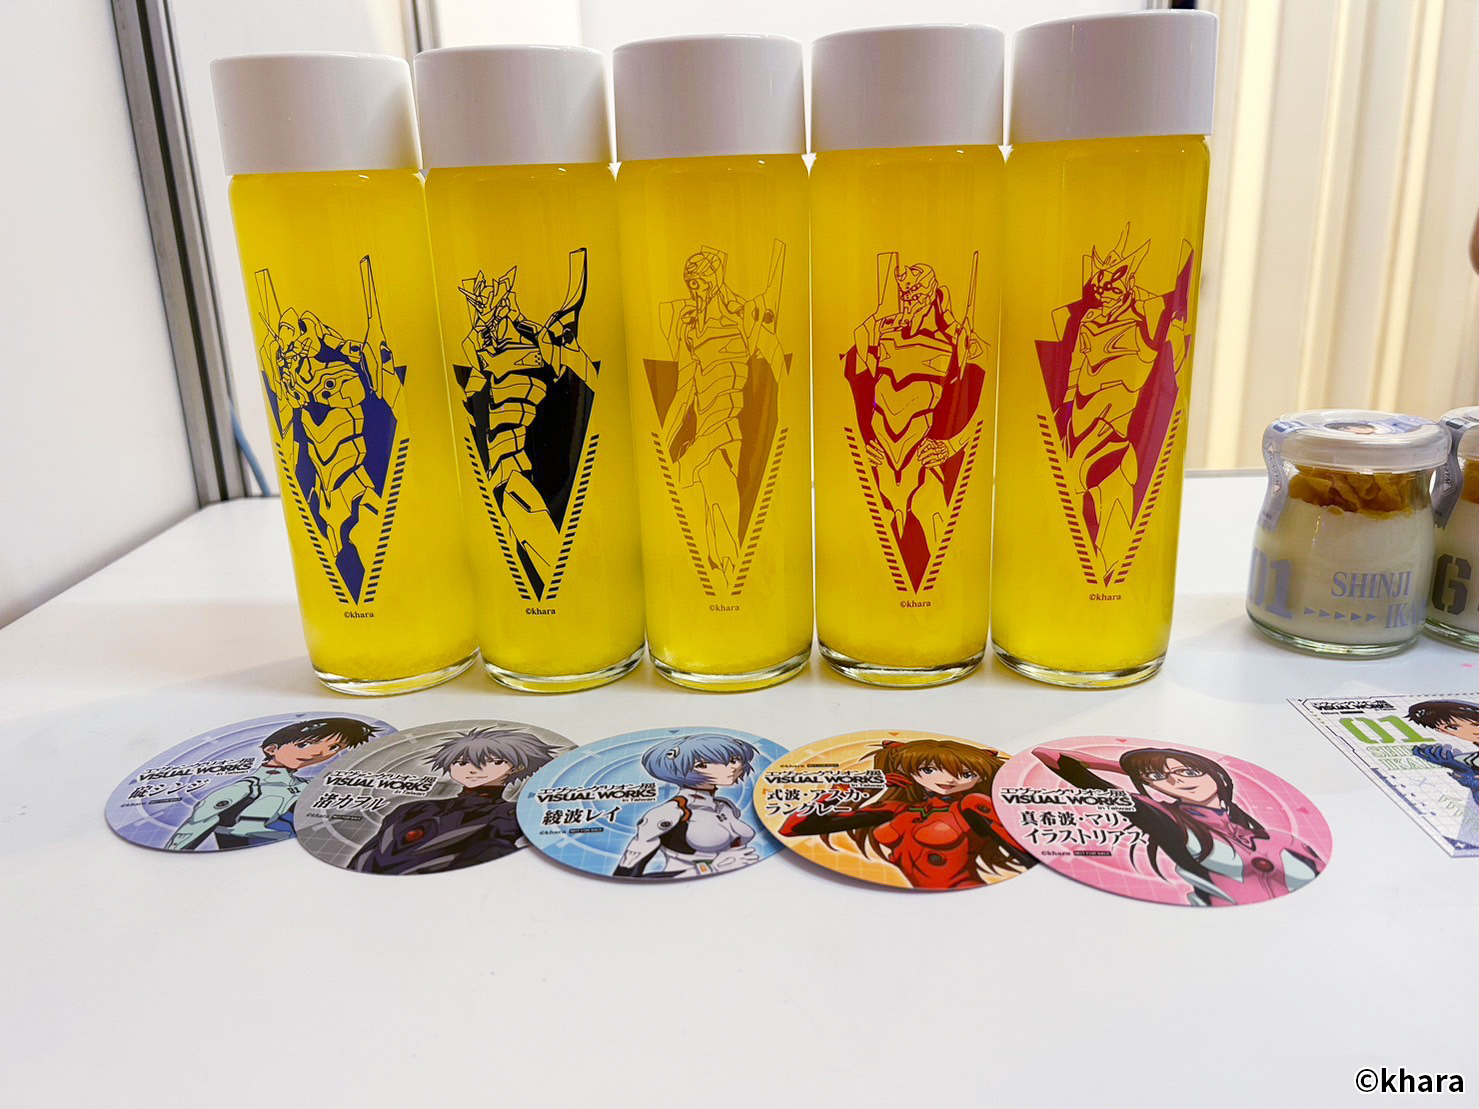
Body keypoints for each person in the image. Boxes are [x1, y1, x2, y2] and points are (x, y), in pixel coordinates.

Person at [1033, 746, 1323, 906]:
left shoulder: (1275, 836)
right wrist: (1131, 769)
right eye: (1160, 778)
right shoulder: (1168, 820)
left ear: (1217, 775)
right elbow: (1051, 756)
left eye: (1188, 771)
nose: (1176, 781)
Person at [779, 738, 1029, 891]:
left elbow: (1026, 850)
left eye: (966, 774)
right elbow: (794, 828)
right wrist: (860, 786)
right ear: (904, 769)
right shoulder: (896, 809)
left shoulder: (972, 804)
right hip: (894, 902)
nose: (949, 779)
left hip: (966, 896)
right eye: (929, 770)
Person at [349, 727, 561, 875]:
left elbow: (497, 853)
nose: (472, 769)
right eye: (461, 762)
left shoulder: (510, 813)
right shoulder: (413, 808)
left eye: (493, 762)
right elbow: (368, 855)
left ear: (516, 768)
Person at [166, 717, 378, 851]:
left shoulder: (308, 785)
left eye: (333, 747)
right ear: (271, 749)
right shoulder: (244, 788)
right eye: (305, 744)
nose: (318, 753)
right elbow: (193, 830)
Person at [613, 732, 762, 878]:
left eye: (734, 760)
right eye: (702, 765)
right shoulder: (669, 813)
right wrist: (709, 869)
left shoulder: (726, 806)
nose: (731, 767)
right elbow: (626, 877)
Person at [1405, 700, 1479, 843]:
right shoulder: (1468, 759)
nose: (1474, 730)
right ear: (1443, 730)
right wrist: (1457, 766)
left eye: (1476, 724)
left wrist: (1467, 776)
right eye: (1454, 727)